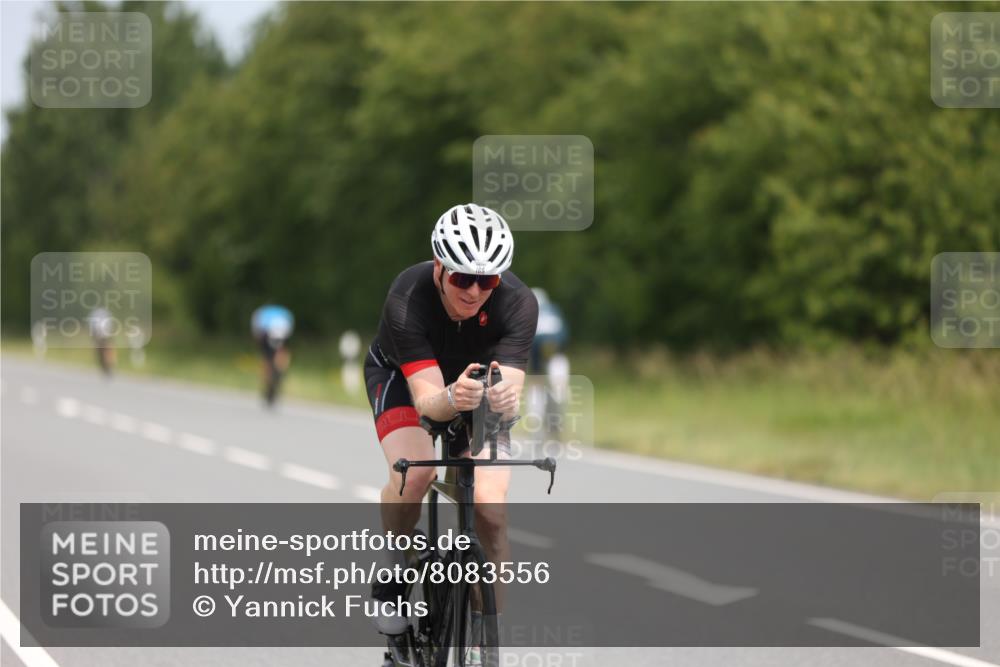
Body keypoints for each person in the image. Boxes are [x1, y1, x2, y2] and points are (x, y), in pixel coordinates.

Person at [364, 204, 538, 639]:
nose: (475, 291)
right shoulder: (408, 296)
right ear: (440, 268)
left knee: (490, 509)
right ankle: (394, 569)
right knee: (415, 475)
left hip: (475, 385)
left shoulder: (519, 303)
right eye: (463, 278)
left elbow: (510, 397)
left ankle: (485, 636)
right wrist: (452, 398)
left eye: (488, 280)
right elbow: (427, 404)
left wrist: (502, 400)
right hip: (404, 379)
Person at [250, 304, 295, 407]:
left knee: (266, 359)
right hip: (282, 333)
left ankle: (270, 377)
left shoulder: (261, 312)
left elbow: (256, 330)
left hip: (266, 334)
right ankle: (280, 370)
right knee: (281, 353)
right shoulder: (284, 313)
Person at [87, 307, 116, 377]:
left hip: (102, 335)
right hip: (102, 335)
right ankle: (106, 365)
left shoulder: (95, 314)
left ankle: (109, 365)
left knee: (106, 350)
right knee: (102, 350)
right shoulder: (102, 314)